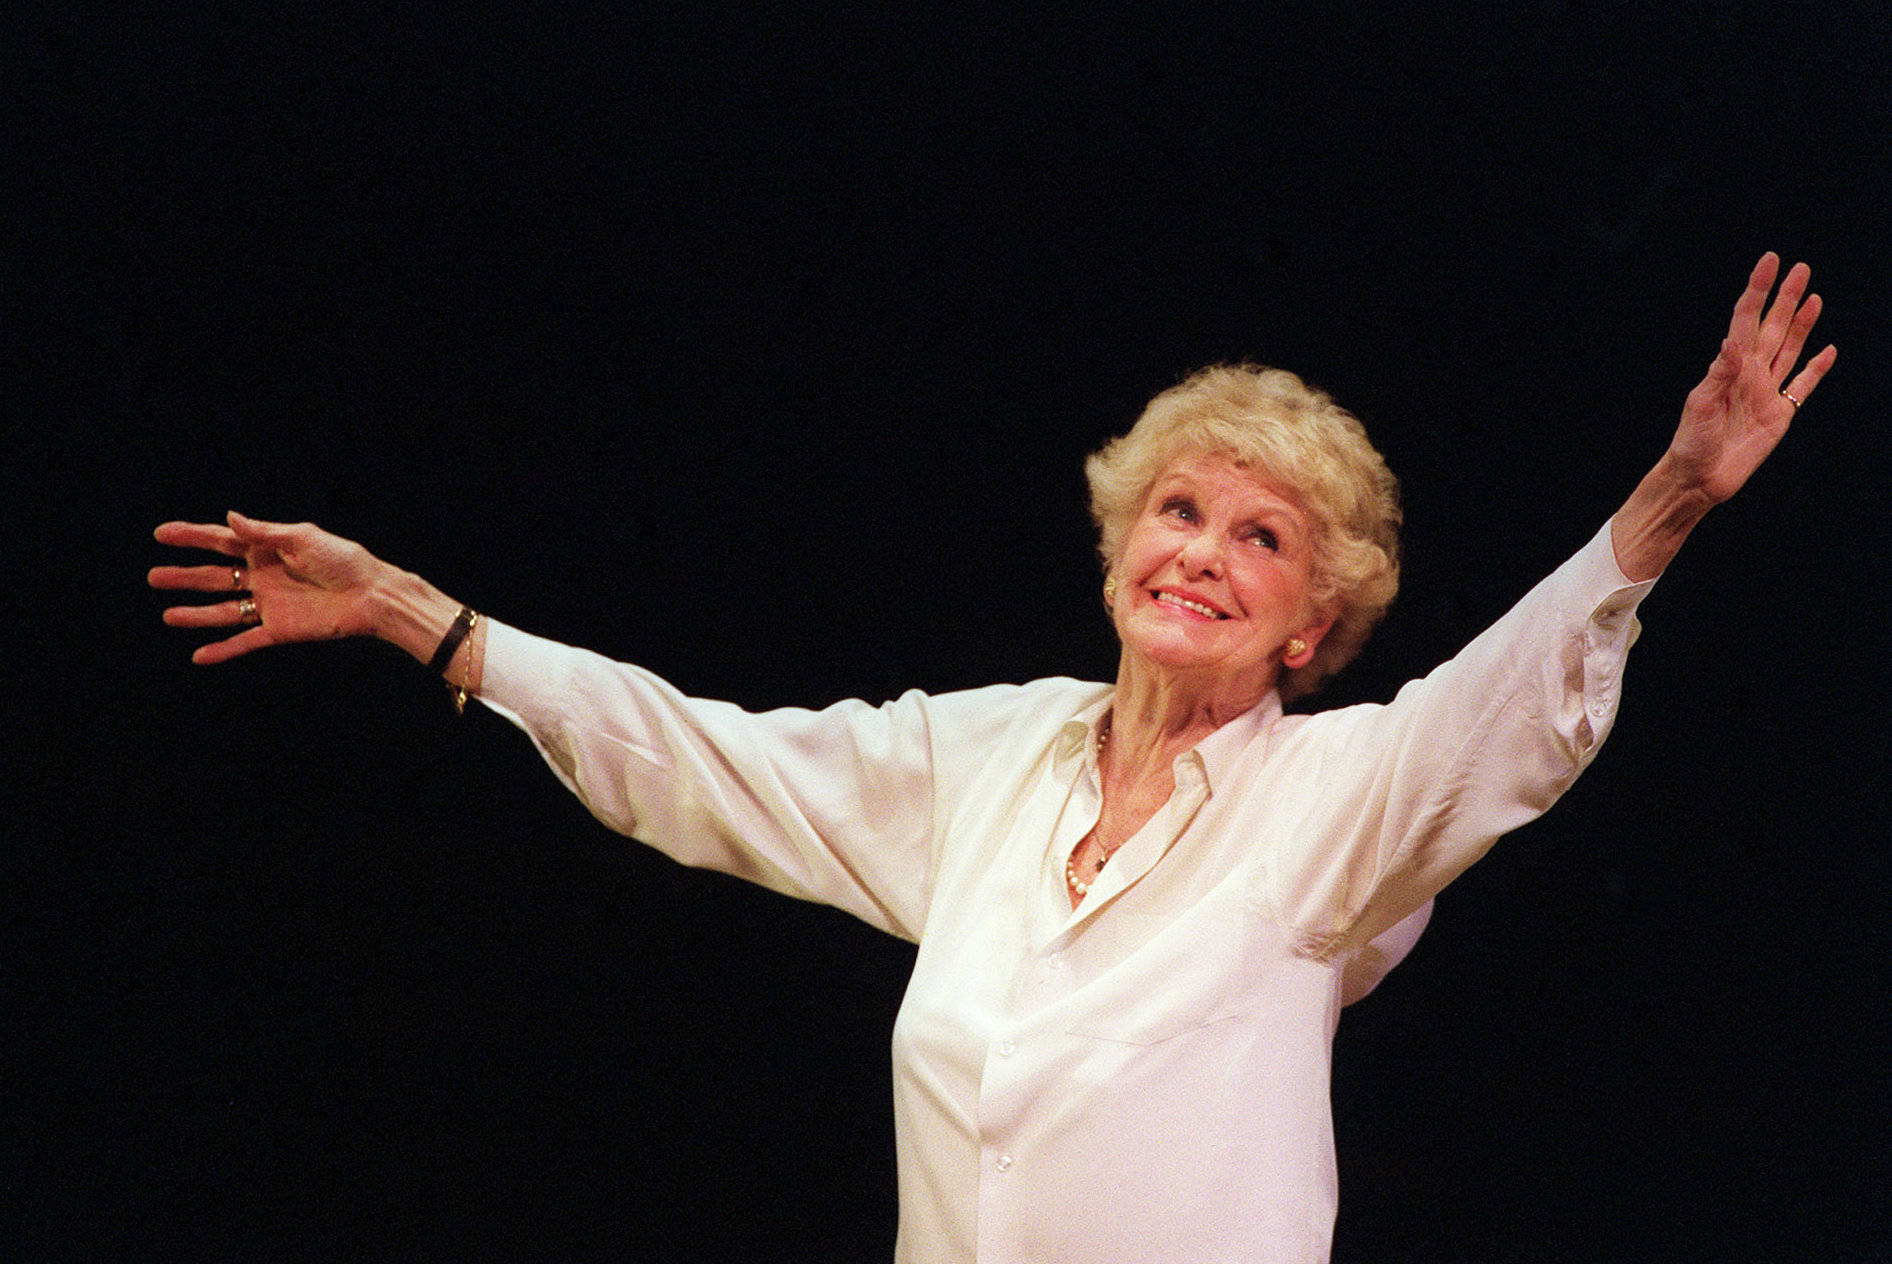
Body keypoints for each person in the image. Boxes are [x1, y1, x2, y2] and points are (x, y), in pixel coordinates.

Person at [151, 255, 1833, 1263]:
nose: (1200, 552)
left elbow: (1497, 714)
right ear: (1118, 545)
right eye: (1180, 509)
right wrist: (421, 617)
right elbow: (701, 760)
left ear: (1308, 629)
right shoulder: (990, 757)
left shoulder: (1327, 810)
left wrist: (1670, 502)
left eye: (1261, 541)